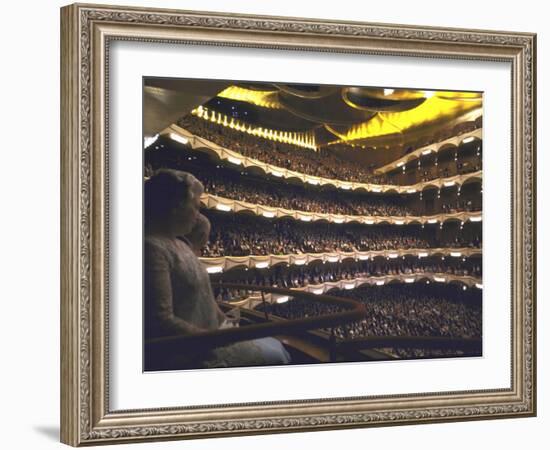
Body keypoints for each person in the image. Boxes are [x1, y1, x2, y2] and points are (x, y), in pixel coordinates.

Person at [144, 169, 290, 370]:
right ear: (176, 206)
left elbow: (204, 296)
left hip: (212, 334)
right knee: (277, 353)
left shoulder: (179, 244)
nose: (197, 216)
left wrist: (225, 321)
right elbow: (161, 321)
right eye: (195, 207)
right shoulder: (151, 248)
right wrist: (216, 338)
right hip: (193, 351)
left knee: (275, 345)